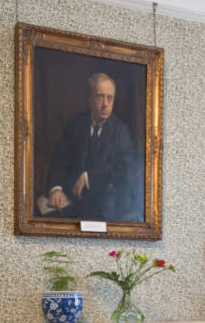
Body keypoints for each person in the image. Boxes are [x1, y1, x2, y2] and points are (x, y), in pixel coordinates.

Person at [41, 72, 144, 221]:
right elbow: (60, 159)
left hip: (104, 205)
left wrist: (88, 178)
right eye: (100, 96)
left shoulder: (121, 131)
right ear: (90, 99)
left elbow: (125, 168)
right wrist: (56, 188)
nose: (105, 104)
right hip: (69, 201)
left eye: (110, 98)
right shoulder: (76, 124)